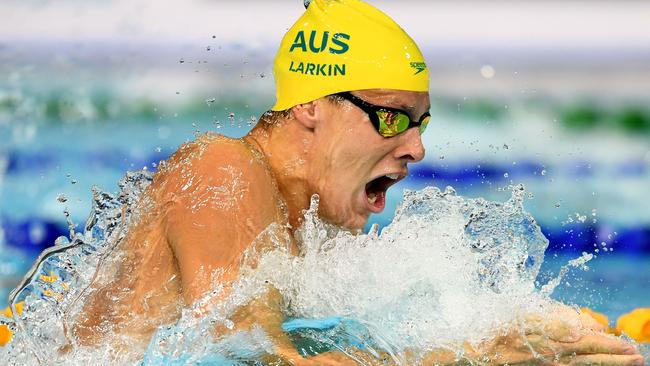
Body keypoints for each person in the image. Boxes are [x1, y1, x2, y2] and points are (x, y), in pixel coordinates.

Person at [68, 0, 644, 364]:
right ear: (313, 106)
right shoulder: (223, 169)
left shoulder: (304, 230)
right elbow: (244, 356)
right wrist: (479, 355)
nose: (416, 148)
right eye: (391, 118)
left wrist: (503, 328)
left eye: (420, 124)